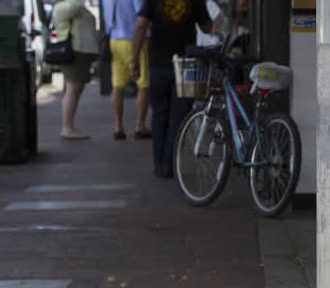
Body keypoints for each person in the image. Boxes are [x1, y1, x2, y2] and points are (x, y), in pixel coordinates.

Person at [129, 0, 212, 178]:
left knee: (159, 113)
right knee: (180, 116)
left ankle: (160, 164)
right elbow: (207, 27)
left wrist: (133, 60)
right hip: (186, 64)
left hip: (158, 64)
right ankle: (169, 163)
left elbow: (140, 26)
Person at [52, 0, 100, 140]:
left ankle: (68, 126)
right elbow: (75, 6)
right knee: (72, 89)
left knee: (74, 89)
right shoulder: (65, 7)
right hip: (75, 52)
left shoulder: (70, 6)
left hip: (79, 52)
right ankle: (67, 127)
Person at [104, 0, 150, 141]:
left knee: (118, 85)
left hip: (114, 40)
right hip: (134, 40)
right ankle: (140, 125)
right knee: (144, 85)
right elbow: (142, 15)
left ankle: (118, 127)